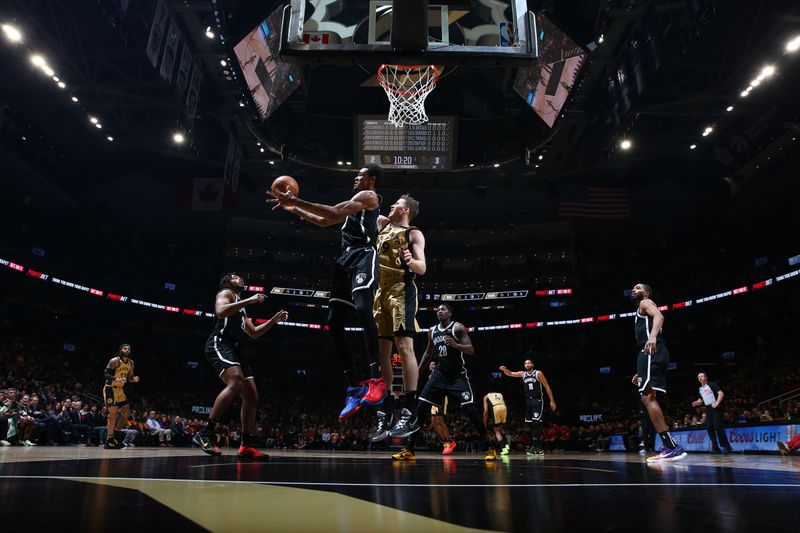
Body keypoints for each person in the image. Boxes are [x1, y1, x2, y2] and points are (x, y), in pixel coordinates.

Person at [269, 165, 386, 419]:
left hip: (364, 256)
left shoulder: (369, 197)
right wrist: (294, 208)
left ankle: (376, 379)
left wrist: (296, 199)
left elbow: (332, 211)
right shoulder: (354, 206)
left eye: (360, 174)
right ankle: (354, 386)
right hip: (344, 261)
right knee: (334, 322)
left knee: (364, 309)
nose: (356, 177)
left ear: (371, 179)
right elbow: (325, 220)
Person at [192, 273, 288, 459]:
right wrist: (250, 300)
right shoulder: (225, 293)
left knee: (251, 396)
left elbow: (253, 333)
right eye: (236, 277)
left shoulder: (242, 307)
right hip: (220, 343)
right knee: (235, 382)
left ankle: (246, 445)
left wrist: (273, 320)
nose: (240, 279)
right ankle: (205, 433)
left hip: (236, 349)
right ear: (227, 282)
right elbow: (220, 311)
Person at [390, 304, 500, 461]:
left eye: (443, 309)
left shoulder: (458, 328)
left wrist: (456, 345)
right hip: (438, 376)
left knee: (470, 410)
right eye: (437, 310)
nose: (439, 311)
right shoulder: (432, 331)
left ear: (450, 313)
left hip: (457, 377)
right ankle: (409, 449)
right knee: (420, 410)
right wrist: (417, 373)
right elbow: (428, 353)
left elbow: (471, 349)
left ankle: (489, 447)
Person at [370, 194, 426, 442]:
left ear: (405, 210)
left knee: (404, 346)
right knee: (382, 351)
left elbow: (422, 268)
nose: (391, 206)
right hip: (380, 291)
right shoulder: (382, 223)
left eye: (396, 204)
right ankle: (388, 410)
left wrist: (410, 261)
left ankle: (410, 409)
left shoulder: (414, 233)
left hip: (402, 289)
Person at [630, 283, 686, 462]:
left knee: (647, 398)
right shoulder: (642, 309)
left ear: (645, 292)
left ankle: (671, 446)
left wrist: (652, 337)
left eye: (638, 287)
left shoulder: (645, 302)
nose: (634, 290)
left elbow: (660, 317)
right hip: (651, 354)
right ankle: (668, 445)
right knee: (648, 397)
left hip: (650, 350)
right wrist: (641, 372)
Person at [499, 358, 557, 455]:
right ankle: (535, 446)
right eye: (525, 363)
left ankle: (537, 447)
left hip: (537, 400)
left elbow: (547, 386)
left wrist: (552, 401)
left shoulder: (538, 373)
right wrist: (505, 370)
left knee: (535, 423)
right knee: (531, 425)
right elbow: (511, 374)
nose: (527, 364)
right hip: (528, 401)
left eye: (529, 362)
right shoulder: (523, 374)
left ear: (532, 364)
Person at [102, 344, 139, 450]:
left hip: (120, 390)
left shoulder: (131, 363)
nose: (127, 350)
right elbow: (106, 375)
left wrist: (133, 379)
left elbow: (130, 377)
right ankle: (109, 440)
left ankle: (116, 437)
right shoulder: (115, 360)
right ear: (121, 350)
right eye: (125, 348)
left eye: (128, 349)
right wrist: (116, 379)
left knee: (127, 412)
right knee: (113, 414)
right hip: (110, 388)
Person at [691, 372, 733, 454]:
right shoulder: (700, 389)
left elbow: (721, 393)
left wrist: (717, 403)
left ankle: (726, 447)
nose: (700, 377)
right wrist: (697, 402)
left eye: (702, 376)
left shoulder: (712, 384)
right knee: (709, 428)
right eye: (698, 376)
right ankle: (715, 448)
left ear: (706, 377)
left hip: (716, 408)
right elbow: (701, 400)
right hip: (708, 409)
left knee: (718, 427)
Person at [427, 362, 457, 455]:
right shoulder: (430, 376)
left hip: (441, 397)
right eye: (431, 364)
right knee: (433, 422)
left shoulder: (439, 373)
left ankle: (450, 441)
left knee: (439, 420)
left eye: (434, 364)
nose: (432, 365)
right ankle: (446, 441)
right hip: (433, 399)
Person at [483, 391, 510, 456]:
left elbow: (486, 411)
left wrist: (484, 421)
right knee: (501, 428)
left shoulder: (486, 396)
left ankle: (503, 448)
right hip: (504, 407)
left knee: (496, 430)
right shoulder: (499, 394)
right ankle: (506, 445)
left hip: (495, 408)